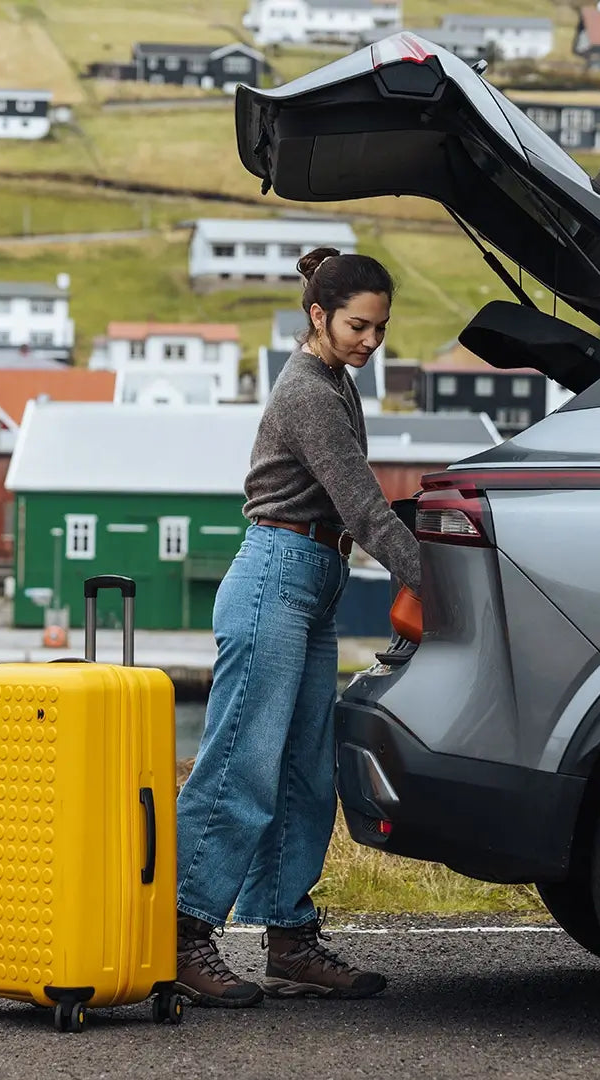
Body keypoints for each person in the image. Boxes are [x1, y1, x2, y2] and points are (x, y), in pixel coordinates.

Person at [174, 247, 421, 1007]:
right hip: (275, 578)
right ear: (318, 315)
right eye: (357, 326)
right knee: (243, 764)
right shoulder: (310, 393)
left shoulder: (335, 381)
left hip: (312, 582)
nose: (369, 343)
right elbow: (363, 508)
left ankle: (289, 938)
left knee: (306, 772)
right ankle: (180, 932)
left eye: (380, 330)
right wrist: (441, 583)